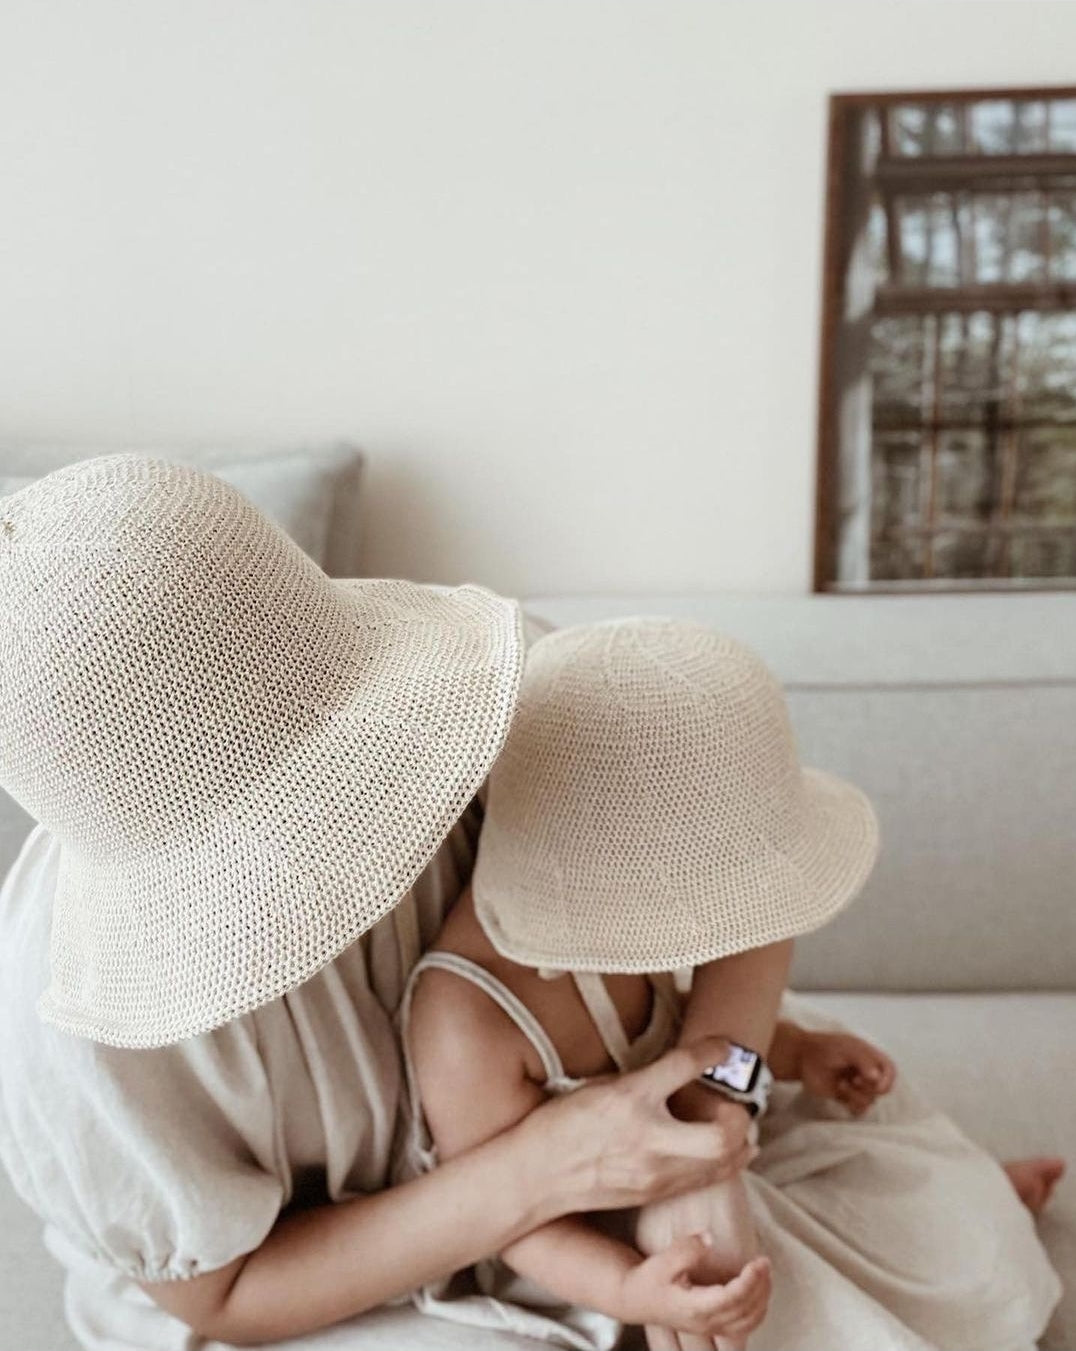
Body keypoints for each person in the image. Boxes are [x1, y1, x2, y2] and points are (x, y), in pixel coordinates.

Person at [0, 457, 1061, 1351]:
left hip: (637, 1122)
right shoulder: (77, 1038)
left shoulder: (513, 702)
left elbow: (747, 895)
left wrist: (720, 1088)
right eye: (284, 825)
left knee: (911, 1236)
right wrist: (540, 1172)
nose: (347, 850)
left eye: (339, 777)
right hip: (325, 1274)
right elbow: (223, 1296)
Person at [402, 620, 1064, 1351]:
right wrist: (626, 1286)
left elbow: (698, 1044)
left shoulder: (645, 921)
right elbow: (512, 1218)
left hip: (720, 1149)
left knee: (903, 1188)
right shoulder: (470, 1016)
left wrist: (794, 1049)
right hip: (593, 1242)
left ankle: (983, 1202)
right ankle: (969, 1235)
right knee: (782, 1277)